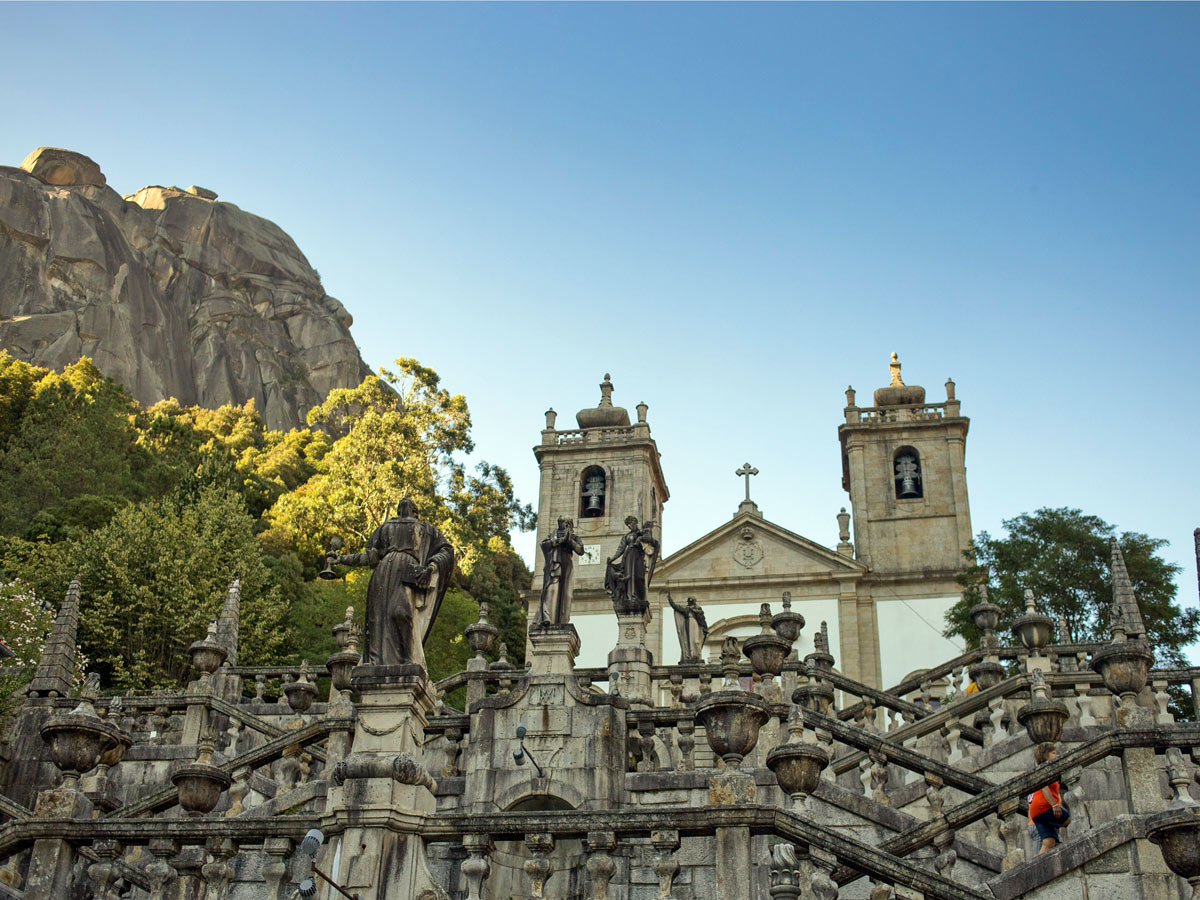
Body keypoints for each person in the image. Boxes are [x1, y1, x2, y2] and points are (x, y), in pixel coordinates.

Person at [330, 497, 455, 670]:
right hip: (383, 572)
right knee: (376, 617)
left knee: (401, 612)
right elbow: (369, 556)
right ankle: (375, 661)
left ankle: (406, 658)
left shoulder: (425, 529)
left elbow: (446, 550)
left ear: (415, 512)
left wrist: (431, 567)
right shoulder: (385, 528)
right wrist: (342, 559)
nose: (405, 505)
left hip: (407, 570)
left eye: (410, 506)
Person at [533, 517, 584, 627]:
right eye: (561, 523)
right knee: (551, 590)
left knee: (567, 593)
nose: (563, 525)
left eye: (566, 523)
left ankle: (563, 620)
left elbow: (580, 550)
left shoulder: (574, 537)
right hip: (554, 564)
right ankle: (547, 618)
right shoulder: (552, 535)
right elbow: (544, 545)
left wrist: (569, 539)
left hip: (566, 564)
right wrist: (558, 541)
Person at [604, 516, 659, 614]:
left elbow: (650, 539)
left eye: (630, 523)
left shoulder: (642, 533)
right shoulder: (626, 536)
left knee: (637, 576)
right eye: (628, 524)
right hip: (628, 557)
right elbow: (620, 549)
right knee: (629, 576)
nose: (629, 526)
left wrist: (640, 538)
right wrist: (612, 559)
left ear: (635, 522)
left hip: (638, 557)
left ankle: (636, 595)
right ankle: (630, 596)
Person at [1030, 742, 1070, 854]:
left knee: (1048, 843)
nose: (1056, 756)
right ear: (1045, 755)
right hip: (1044, 807)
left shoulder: (1042, 769)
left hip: (1036, 812)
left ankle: (1034, 867)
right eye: (1053, 753)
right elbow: (1044, 787)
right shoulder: (1045, 769)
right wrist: (1054, 805)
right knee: (1067, 819)